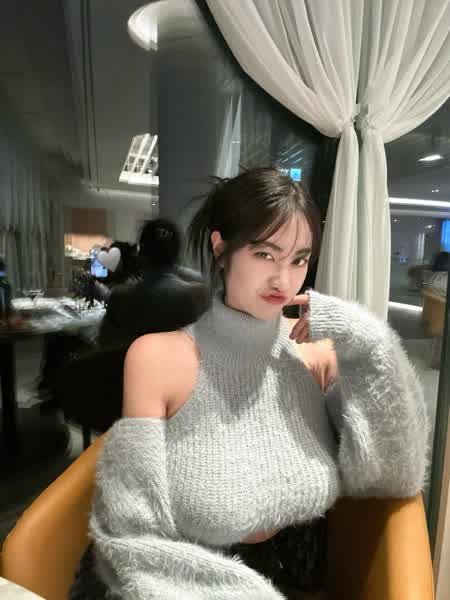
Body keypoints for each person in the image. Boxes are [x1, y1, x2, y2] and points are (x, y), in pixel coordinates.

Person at [84, 168, 428, 599]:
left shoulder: (315, 356)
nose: (283, 280)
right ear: (221, 248)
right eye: (265, 254)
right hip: (184, 584)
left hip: (302, 583)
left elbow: (395, 475)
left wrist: (370, 340)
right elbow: (131, 530)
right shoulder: (158, 358)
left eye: (299, 259)